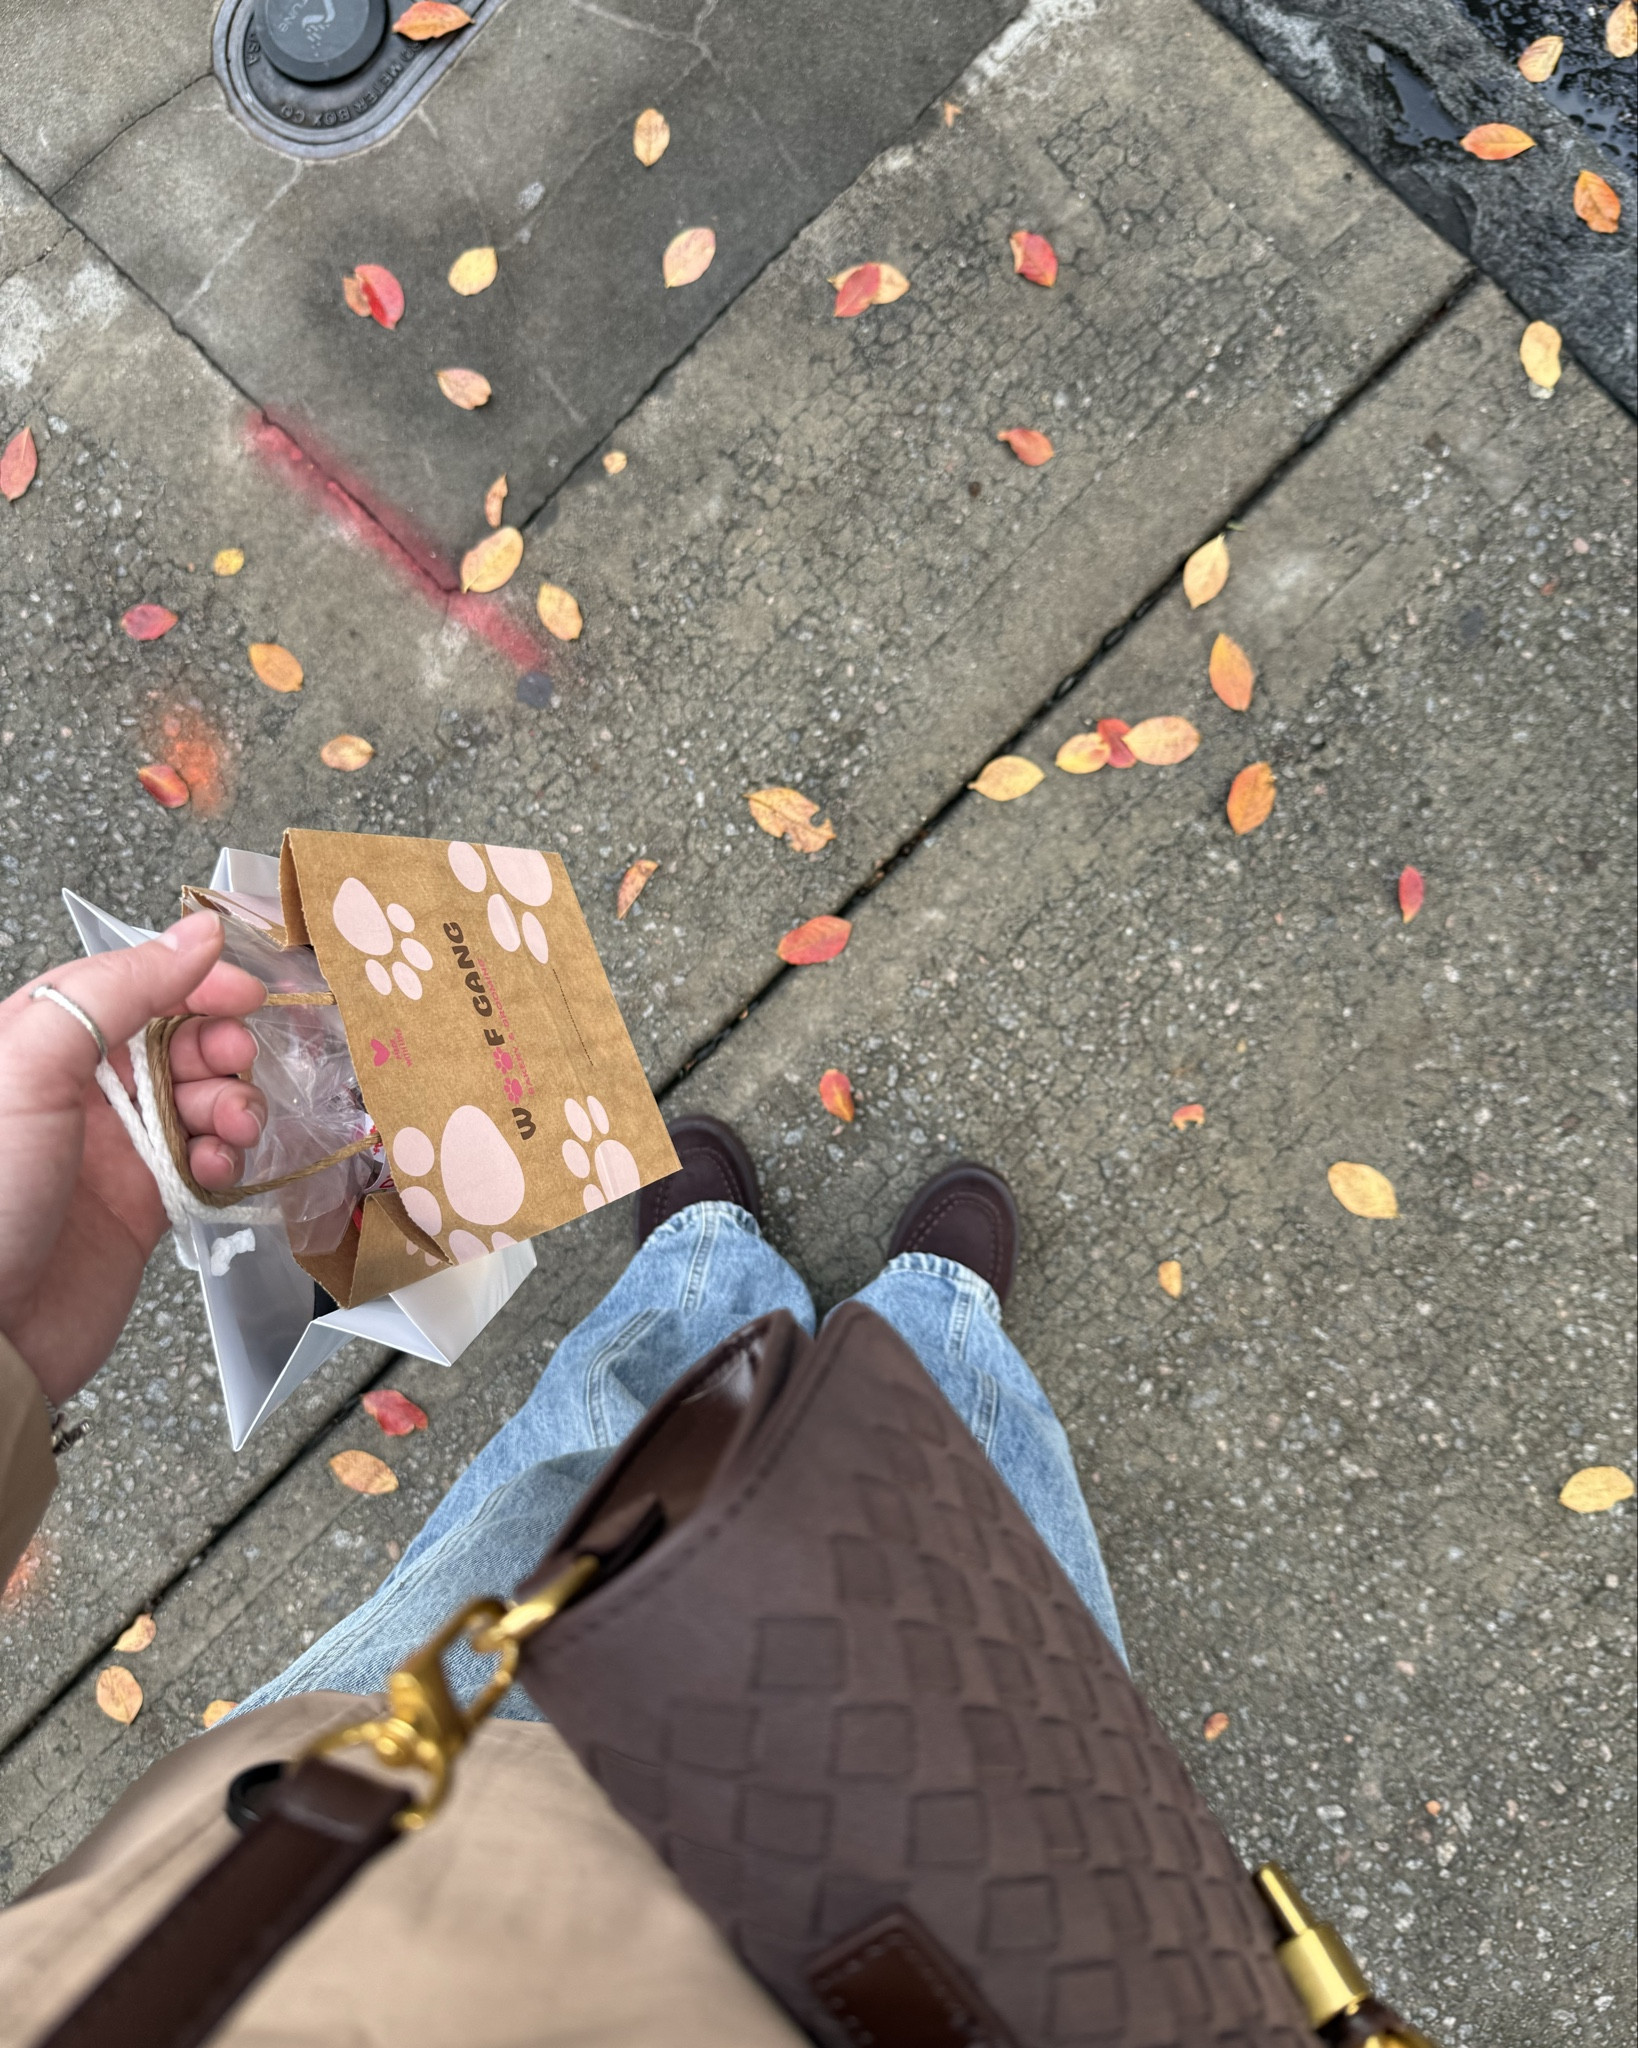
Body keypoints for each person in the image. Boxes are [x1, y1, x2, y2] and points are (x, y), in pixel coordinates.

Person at [0, 918, 1123, 2046]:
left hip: (262, 1904)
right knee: (984, 1623)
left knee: (559, 1500)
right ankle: (930, 1323)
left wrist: (5, 1345)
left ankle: (709, 1282)